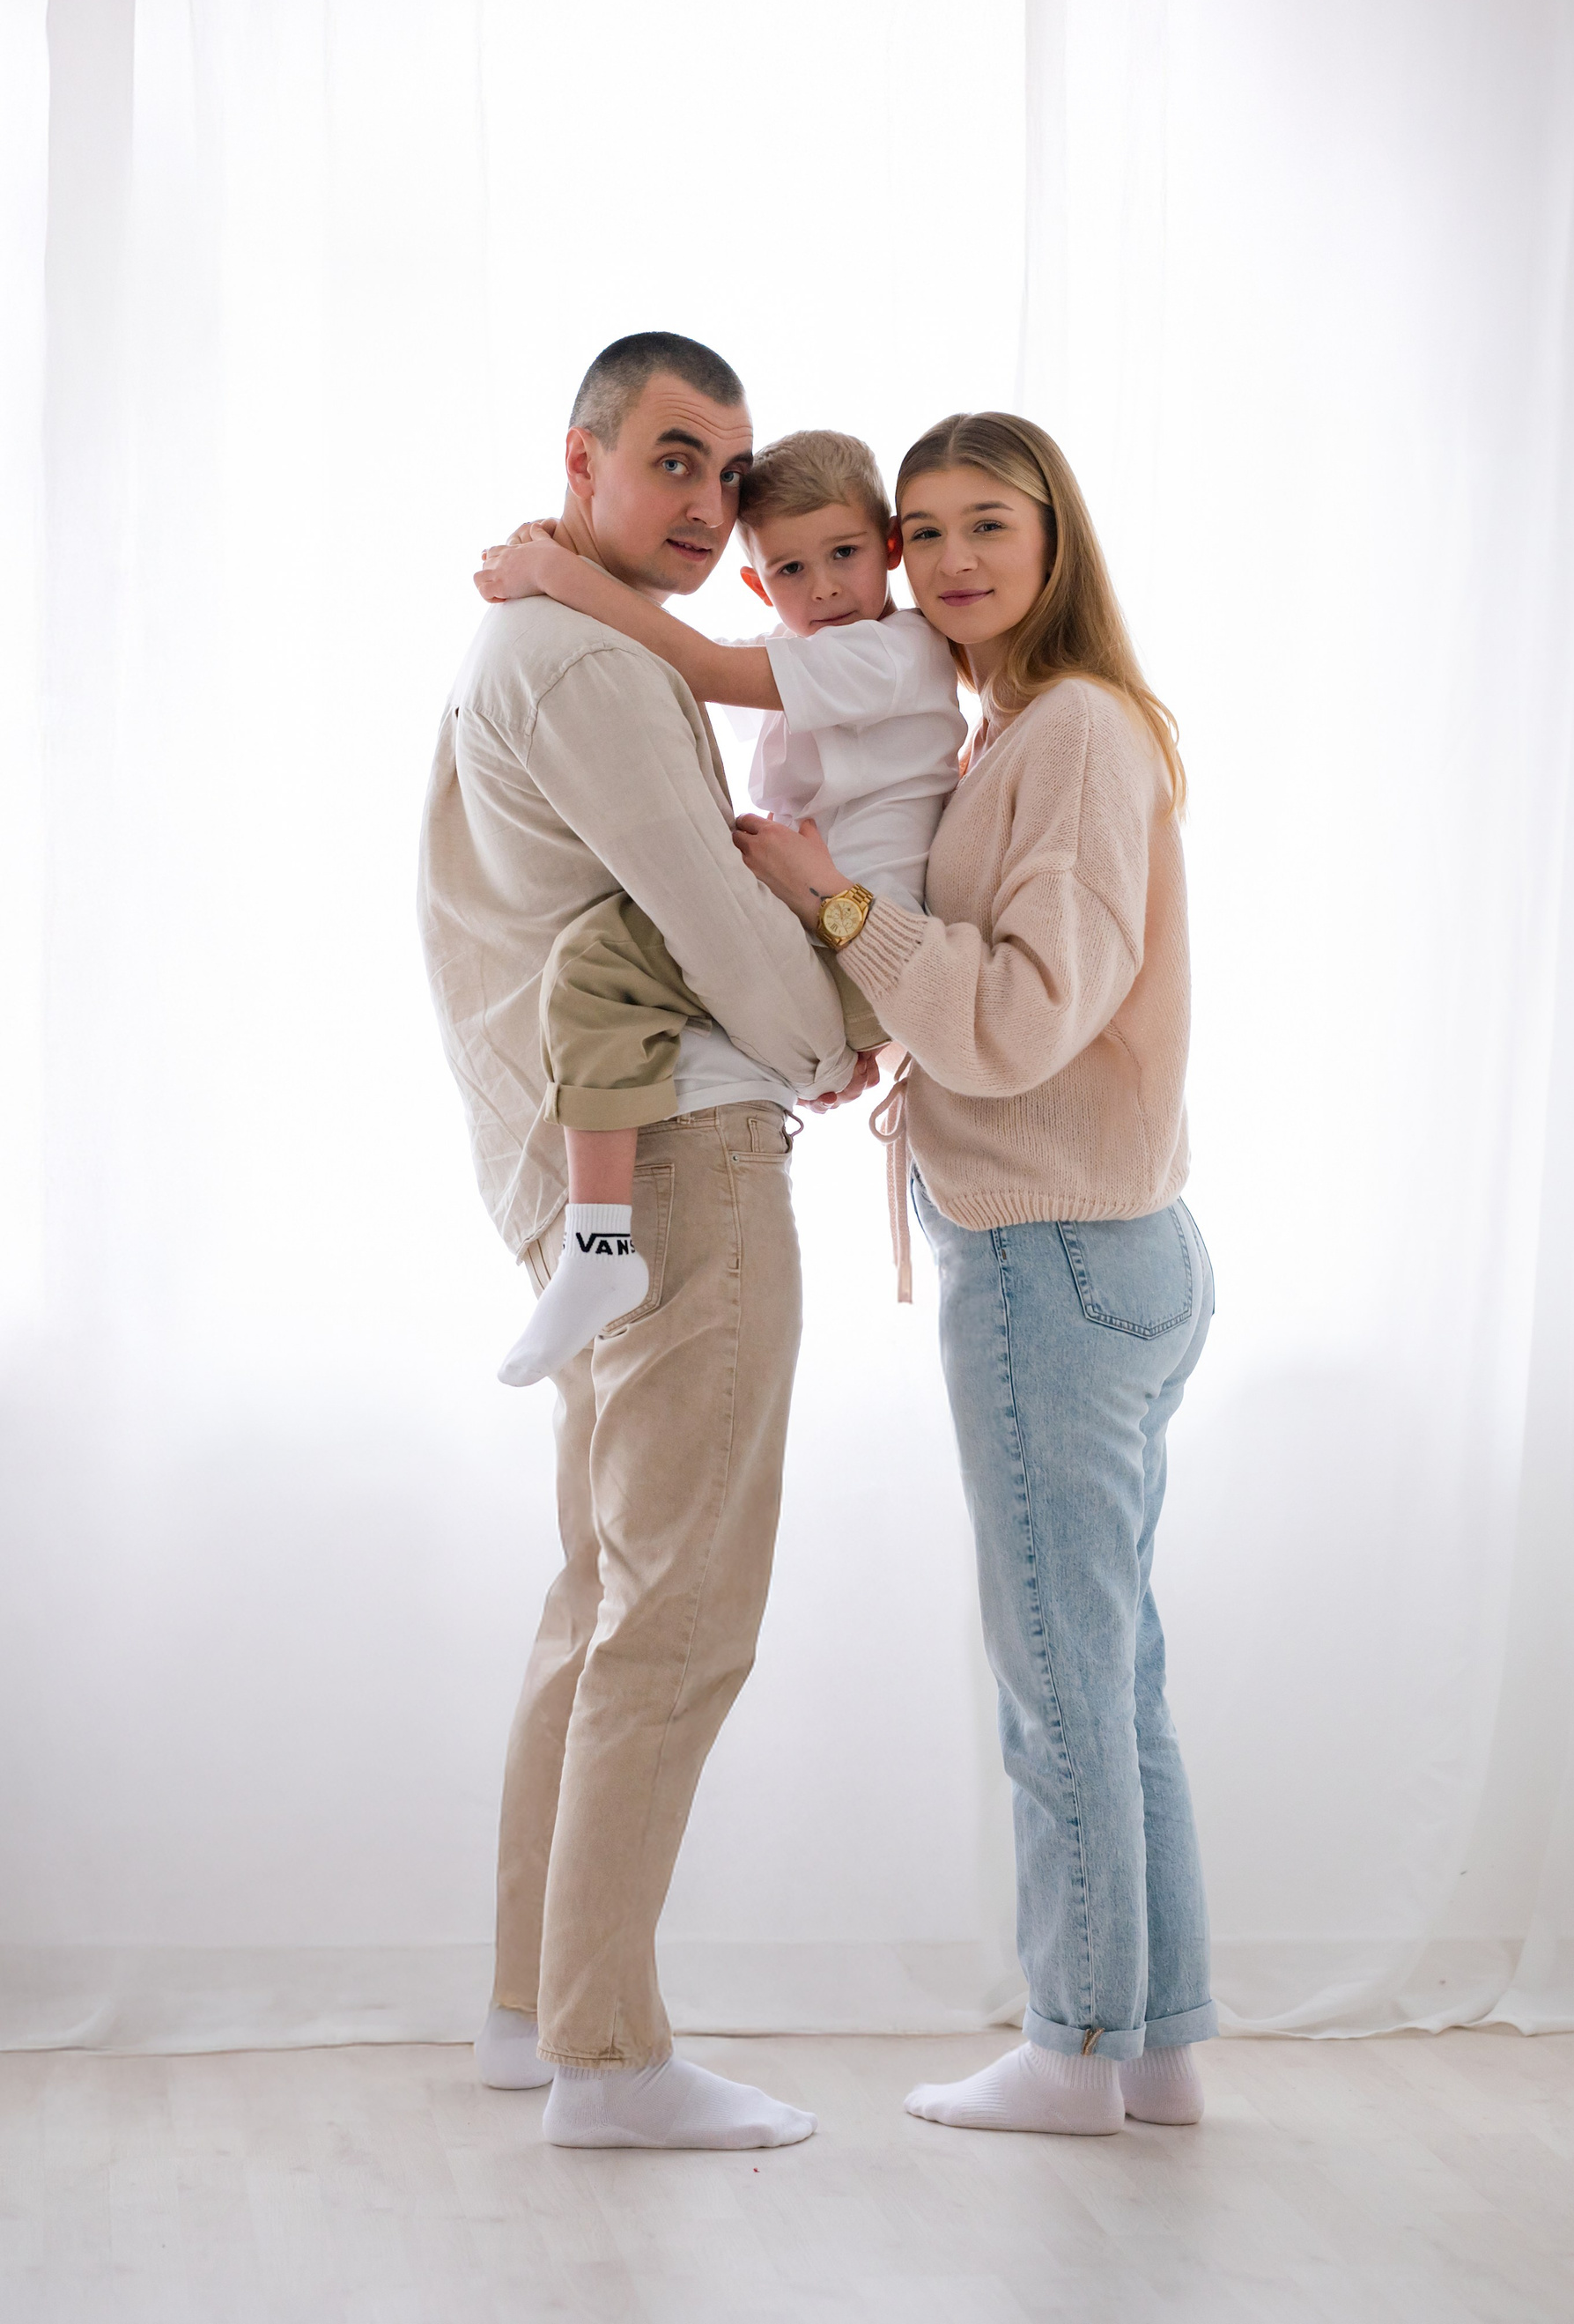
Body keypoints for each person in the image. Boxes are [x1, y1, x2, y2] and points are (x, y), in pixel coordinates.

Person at [418, 330, 878, 2151]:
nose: (707, 502)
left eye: (728, 472)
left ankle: (533, 2013)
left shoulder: (535, 638)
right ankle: (609, 2060)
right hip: (685, 1165)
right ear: (583, 460)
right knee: (676, 1617)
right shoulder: (589, 662)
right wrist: (834, 1042)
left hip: (605, 1170)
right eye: (674, 458)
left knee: (601, 1595)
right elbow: (710, 908)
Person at [735, 410, 1216, 2136]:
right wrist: (884, 1014)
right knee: (1111, 1668)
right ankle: (1150, 2048)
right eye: (921, 530)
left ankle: (1073, 2051)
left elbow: (1018, 1019)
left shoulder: (1071, 730)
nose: (947, 560)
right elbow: (1005, 994)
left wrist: (838, 911)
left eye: (985, 524)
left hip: (1049, 1254)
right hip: (1103, 1241)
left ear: (1053, 534)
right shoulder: (1024, 725)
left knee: (1060, 1679)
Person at [475, 429, 965, 1384]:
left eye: (845, 554)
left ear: (890, 548)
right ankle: (599, 1246)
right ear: (757, 584)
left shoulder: (896, 651)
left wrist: (558, 574)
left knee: (596, 967)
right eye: (791, 569)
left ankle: (598, 1251)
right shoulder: (805, 653)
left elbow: (696, 664)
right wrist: (558, 551)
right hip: (837, 948)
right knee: (615, 967)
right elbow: (659, 656)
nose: (824, 587)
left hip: (856, 942)